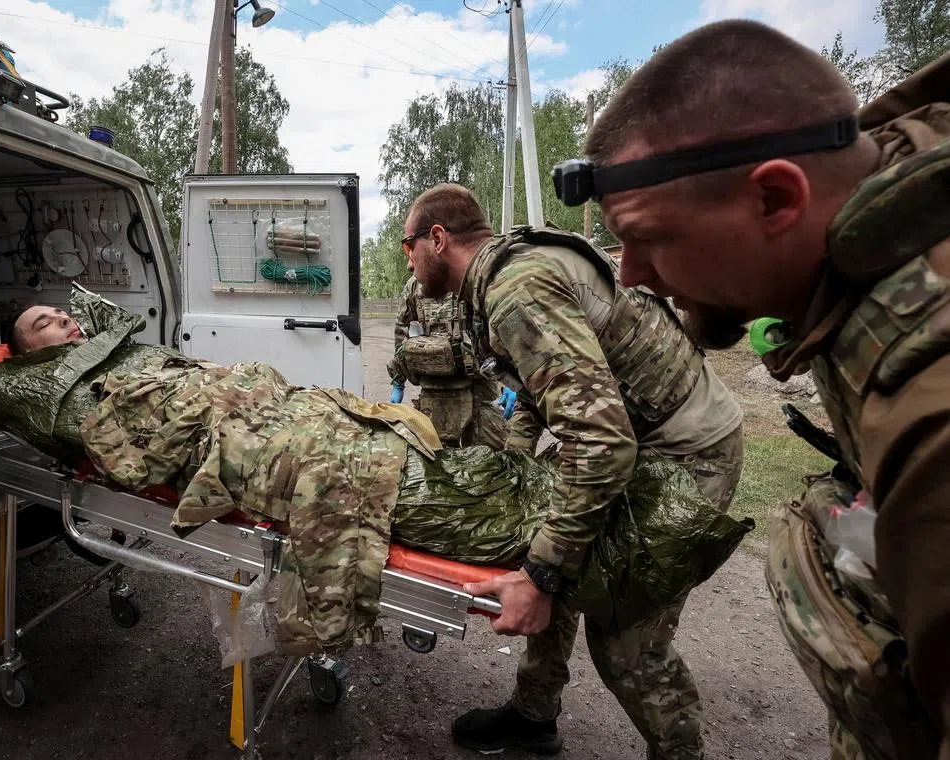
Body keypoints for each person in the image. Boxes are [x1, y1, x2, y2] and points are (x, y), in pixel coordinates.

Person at [0, 286, 748, 666]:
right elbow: (130, 447)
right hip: (244, 441)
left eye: (60, 314)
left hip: (280, 413)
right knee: (431, 491)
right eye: (39, 324)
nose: (59, 321)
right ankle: (636, 536)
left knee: (441, 457)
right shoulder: (62, 389)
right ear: (26, 354)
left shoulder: (125, 352)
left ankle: (622, 519)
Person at [552, 19, 950, 760]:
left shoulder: (932, 398)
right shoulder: (876, 251)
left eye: (648, 235)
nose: (631, 273)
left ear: (774, 199)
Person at [401, 183, 745, 758]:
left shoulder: (517, 289)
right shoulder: (506, 275)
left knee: (626, 640)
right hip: (631, 435)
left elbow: (601, 443)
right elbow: (550, 390)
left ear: (437, 239)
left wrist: (538, 575)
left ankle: (680, 753)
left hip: (688, 451)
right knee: (555, 553)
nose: (407, 260)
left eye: (409, 245)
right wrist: (512, 467)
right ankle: (533, 718)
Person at [387, 273, 510, 448]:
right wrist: (398, 381)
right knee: (437, 457)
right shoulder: (415, 285)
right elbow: (402, 331)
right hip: (433, 389)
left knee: (490, 456)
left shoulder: (471, 278)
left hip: (477, 387)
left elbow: (498, 330)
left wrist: (508, 381)